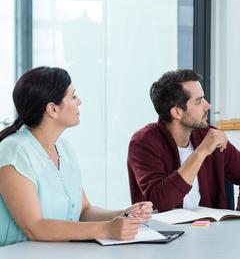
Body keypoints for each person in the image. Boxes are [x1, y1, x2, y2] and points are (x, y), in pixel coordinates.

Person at [0, 67, 153, 246]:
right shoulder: (15, 151)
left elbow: (83, 211)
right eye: (73, 96)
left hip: (57, 258)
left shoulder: (64, 148)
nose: (79, 101)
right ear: (53, 109)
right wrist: (107, 229)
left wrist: (124, 214)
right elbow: (35, 227)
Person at [127, 69, 240, 212]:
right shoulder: (143, 143)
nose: (207, 105)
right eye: (198, 101)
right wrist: (201, 152)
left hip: (211, 232)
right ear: (177, 112)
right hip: (164, 232)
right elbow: (159, 203)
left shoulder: (208, 136)